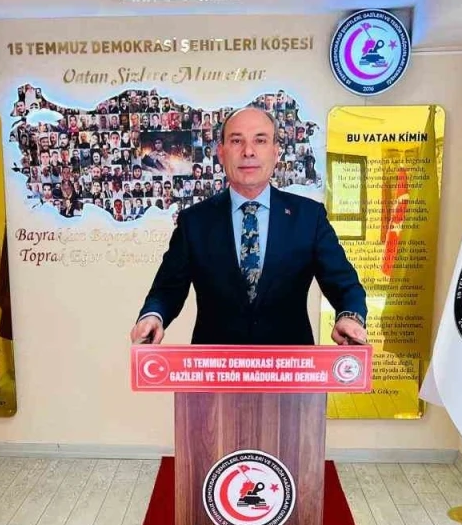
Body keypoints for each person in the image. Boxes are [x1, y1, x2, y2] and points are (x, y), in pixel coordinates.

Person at [130, 107, 366, 346]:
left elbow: (345, 285)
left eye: (260, 141)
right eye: (236, 141)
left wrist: (350, 317)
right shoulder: (194, 221)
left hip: (289, 364)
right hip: (215, 365)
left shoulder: (308, 217)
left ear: (276, 152)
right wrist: (153, 316)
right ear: (221, 152)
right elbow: (167, 290)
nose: (248, 151)